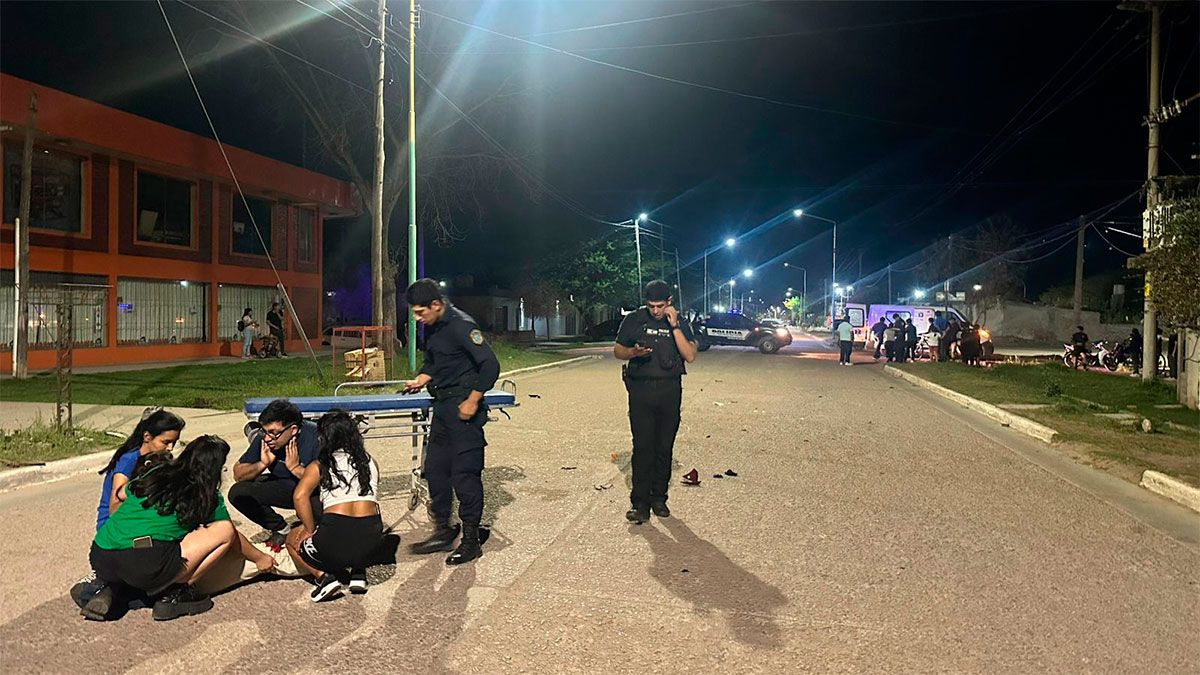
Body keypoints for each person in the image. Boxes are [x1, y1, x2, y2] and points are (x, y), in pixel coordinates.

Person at [85, 435, 277, 621]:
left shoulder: (155, 473)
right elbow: (232, 537)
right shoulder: (206, 494)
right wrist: (261, 559)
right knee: (224, 529)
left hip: (101, 555)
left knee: (151, 542)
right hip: (144, 563)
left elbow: (121, 494)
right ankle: (174, 594)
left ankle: (113, 587)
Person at [403, 278, 501, 565]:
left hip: (463, 409)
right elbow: (436, 362)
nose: (417, 318)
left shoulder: (461, 325)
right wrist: (422, 379)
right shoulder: (434, 327)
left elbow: (490, 365)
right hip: (443, 409)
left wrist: (473, 400)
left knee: (464, 475)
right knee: (436, 471)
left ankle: (471, 541)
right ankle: (443, 531)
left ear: (436, 305)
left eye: (420, 312)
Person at [71, 409, 187, 610]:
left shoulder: (156, 461)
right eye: (165, 442)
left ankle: (109, 587)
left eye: (174, 443)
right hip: (115, 527)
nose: (170, 448)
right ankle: (107, 586)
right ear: (147, 437)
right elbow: (115, 507)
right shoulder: (129, 461)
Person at [614, 279, 699, 524]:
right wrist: (633, 352)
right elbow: (618, 350)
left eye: (660, 306)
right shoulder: (634, 320)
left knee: (664, 446)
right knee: (643, 447)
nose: (655, 311)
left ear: (669, 302)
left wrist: (674, 326)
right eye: (651, 306)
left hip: (669, 390)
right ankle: (639, 503)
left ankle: (659, 498)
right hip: (641, 391)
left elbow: (690, 355)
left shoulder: (680, 322)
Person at [287, 410, 383, 602]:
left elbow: (299, 496)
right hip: (371, 539)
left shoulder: (320, 465)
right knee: (358, 526)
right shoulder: (370, 461)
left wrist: (308, 529)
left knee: (291, 539)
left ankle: (324, 579)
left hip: (335, 534)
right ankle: (358, 572)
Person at [229, 399, 321, 549]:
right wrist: (262, 464)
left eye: (273, 433)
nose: (267, 437)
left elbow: (328, 481)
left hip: (313, 492)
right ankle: (281, 528)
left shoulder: (316, 437)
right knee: (239, 493)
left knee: (327, 517)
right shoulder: (266, 437)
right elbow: (238, 474)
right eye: (264, 431)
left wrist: (296, 468)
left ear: (293, 430)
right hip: (284, 487)